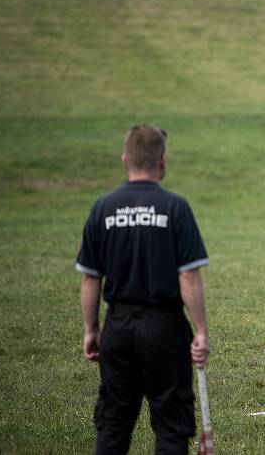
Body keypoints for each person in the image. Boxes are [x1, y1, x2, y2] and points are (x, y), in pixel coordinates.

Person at [76, 124, 210, 454]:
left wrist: (92, 329)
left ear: (125, 160)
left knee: (113, 425)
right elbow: (189, 277)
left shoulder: (102, 208)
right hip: (165, 329)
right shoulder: (175, 208)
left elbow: (91, 279)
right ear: (162, 162)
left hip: (118, 329)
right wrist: (201, 332)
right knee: (171, 428)